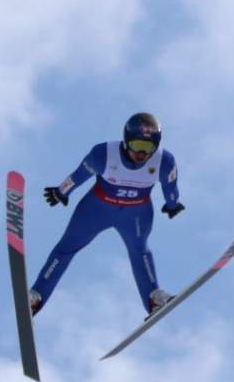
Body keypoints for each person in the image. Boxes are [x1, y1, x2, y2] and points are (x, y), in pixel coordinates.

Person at [29, 112, 184, 316]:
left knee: (140, 251)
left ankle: (154, 298)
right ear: (126, 140)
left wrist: (172, 204)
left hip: (136, 214)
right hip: (97, 209)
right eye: (137, 145)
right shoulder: (104, 154)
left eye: (148, 148)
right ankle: (35, 296)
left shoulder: (164, 161)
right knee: (66, 248)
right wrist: (62, 191)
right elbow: (79, 175)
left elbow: (171, 187)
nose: (141, 154)